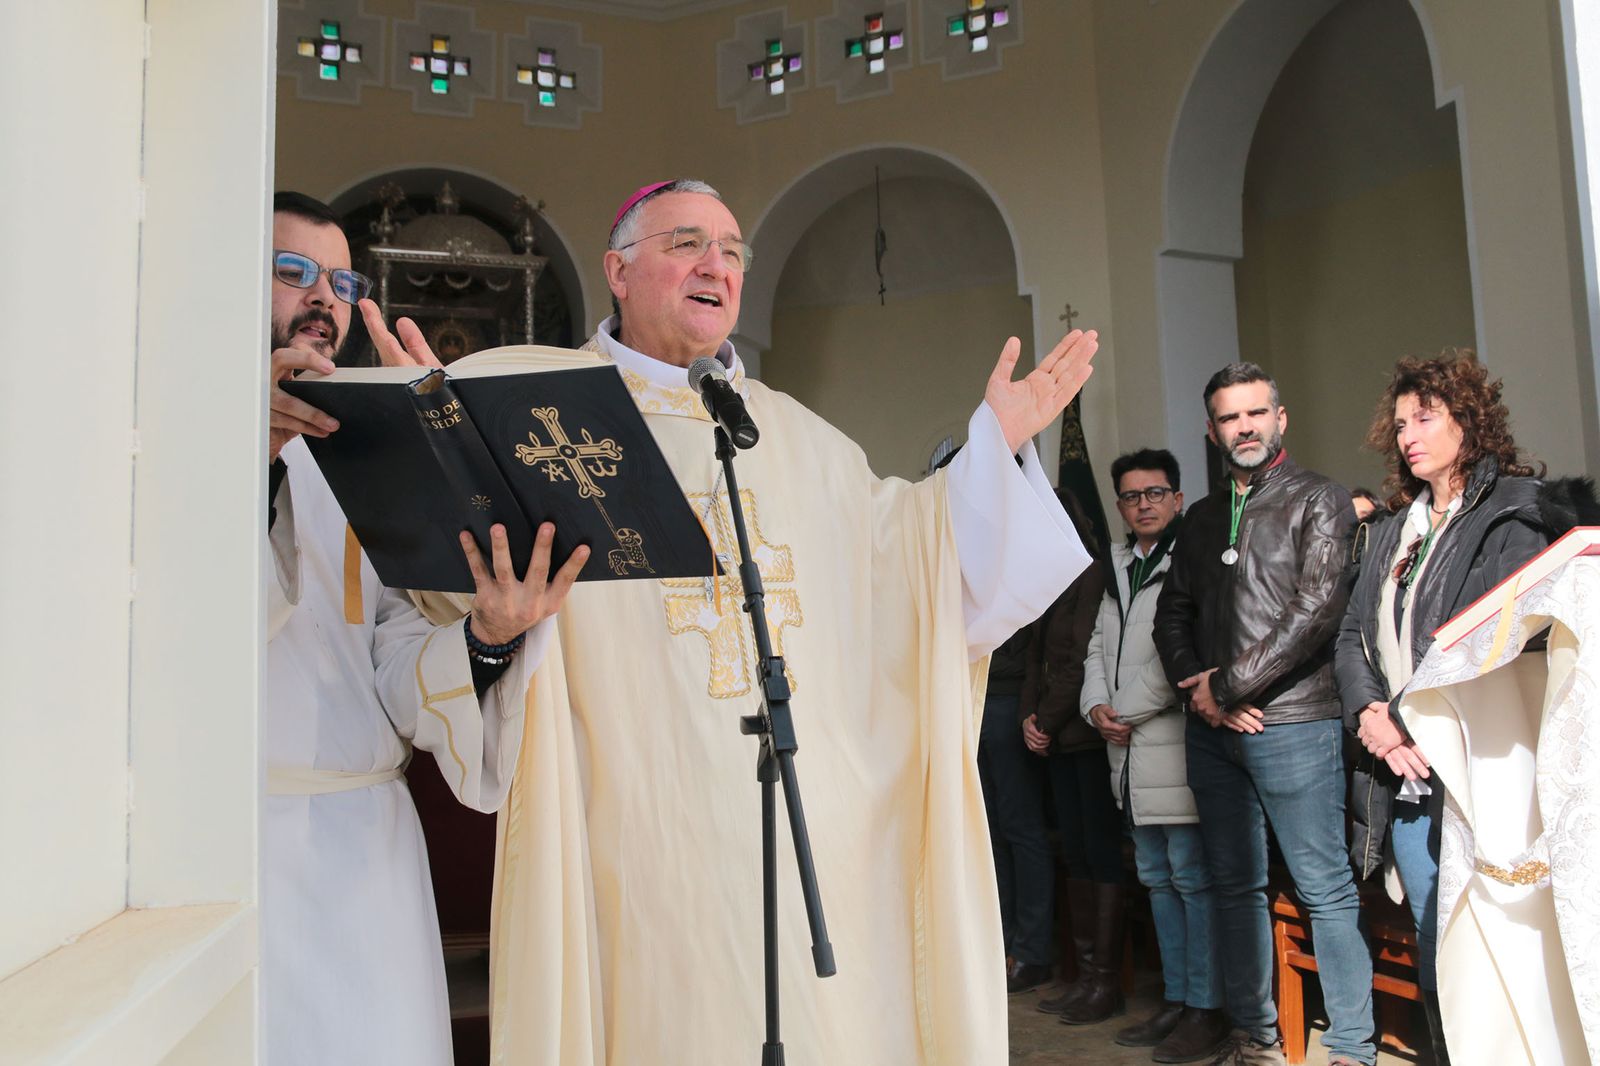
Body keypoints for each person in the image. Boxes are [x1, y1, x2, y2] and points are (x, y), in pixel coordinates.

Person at [401, 178, 1098, 1065]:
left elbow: (915, 566)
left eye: (732, 251)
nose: (716, 265)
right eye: (686, 242)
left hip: (812, 835)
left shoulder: (800, 438)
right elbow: (441, 594)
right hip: (642, 836)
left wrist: (990, 455)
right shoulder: (541, 414)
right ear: (617, 270)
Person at [264, 191, 588, 1065]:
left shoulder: (361, 453)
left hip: (367, 849)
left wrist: (487, 635)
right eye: (292, 273)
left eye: (341, 280)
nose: (323, 300)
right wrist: (251, 469)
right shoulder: (161, 437)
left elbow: (395, 652)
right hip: (233, 848)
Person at [1334, 351, 1573, 1066]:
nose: (1408, 435)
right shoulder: (1394, 528)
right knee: (1436, 936)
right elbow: (1352, 636)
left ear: (1469, 420)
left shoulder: (1515, 514)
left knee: (1487, 939)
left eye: (1425, 418)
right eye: (1400, 423)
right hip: (1405, 771)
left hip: (1479, 766)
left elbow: (1493, 640)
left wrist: (1400, 719)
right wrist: (1369, 717)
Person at [1153, 363, 1373, 1066]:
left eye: (1255, 414)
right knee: (1232, 883)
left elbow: (1316, 614)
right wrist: (1201, 693)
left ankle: (1351, 1047)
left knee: (1323, 886)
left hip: (1297, 724)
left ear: (1282, 419)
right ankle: (1256, 1037)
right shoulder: (1201, 518)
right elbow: (1171, 615)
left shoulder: (1322, 500)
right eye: (1229, 418)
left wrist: (1233, 688)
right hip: (1214, 732)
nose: (1243, 427)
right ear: (1211, 431)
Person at [1080, 448, 1229, 1061]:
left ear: (1177, 499)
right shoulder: (1113, 566)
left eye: (1155, 493)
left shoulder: (1191, 559)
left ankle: (1207, 1008)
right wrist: (1095, 708)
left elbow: (1186, 650)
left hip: (1174, 745)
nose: (1143, 505)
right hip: (1127, 752)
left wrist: (1125, 710)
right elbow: (1095, 645)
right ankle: (1175, 999)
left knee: (1192, 881)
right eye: (1131, 496)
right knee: (1158, 881)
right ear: (1119, 506)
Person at [1019, 492, 1118, 1023]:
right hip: (1055, 736)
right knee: (1076, 853)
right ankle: (1083, 977)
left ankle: (1104, 982)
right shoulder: (1048, 579)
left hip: (1085, 737)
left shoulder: (1094, 573)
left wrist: (1046, 720)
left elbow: (1082, 658)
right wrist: (1028, 718)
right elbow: (1035, 657)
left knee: (1099, 852)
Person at [982, 617, 1058, 996]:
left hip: (1010, 700)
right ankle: (1003, 944)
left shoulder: (1018, 564)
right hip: (974, 697)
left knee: (1021, 828)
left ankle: (1032, 951)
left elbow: (1030, 649)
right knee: (988, 832)